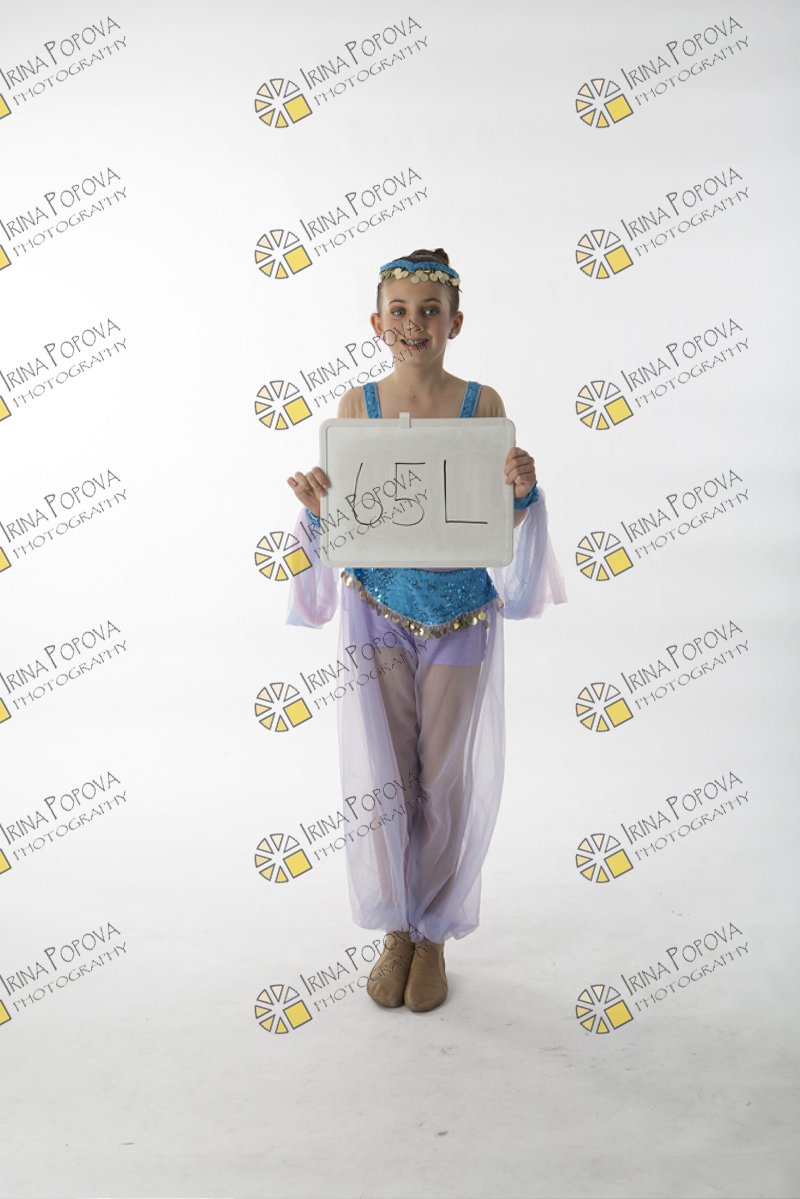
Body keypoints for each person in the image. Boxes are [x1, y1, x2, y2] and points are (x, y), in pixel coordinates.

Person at [285, 248, 567, 1013]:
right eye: (401, 311)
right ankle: (395, 929)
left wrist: (522, 491)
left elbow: (496, 519)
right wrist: (317, 508)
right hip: (378, 610)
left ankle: (433, 929)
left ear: (455, 322)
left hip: (461, 614)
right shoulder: (357, 407)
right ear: (377, 322)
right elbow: (348, 521)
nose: (415, 324)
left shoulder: (482, 404)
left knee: (443, 777)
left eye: (430, 312)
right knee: (388, 781)